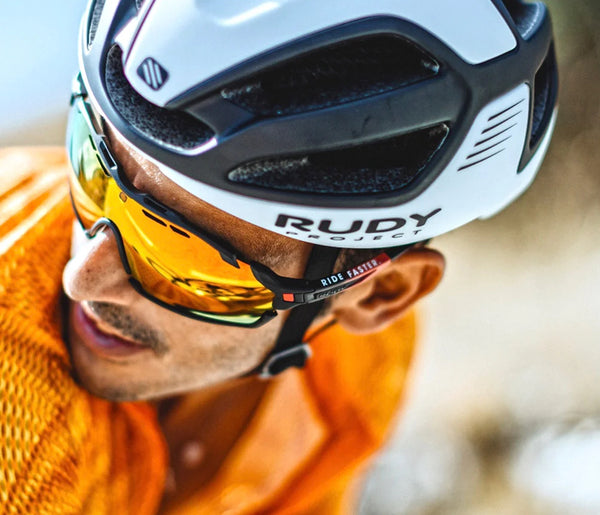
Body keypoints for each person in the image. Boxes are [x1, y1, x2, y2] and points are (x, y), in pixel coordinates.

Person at [0, 0, 557, 513]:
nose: (83, 277)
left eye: (181, 257)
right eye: (94, 173)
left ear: (378, 296)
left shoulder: (354, 376)